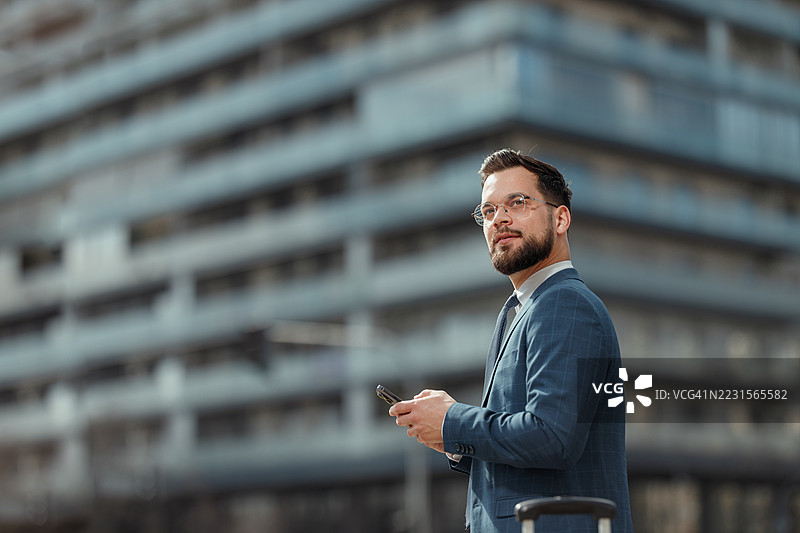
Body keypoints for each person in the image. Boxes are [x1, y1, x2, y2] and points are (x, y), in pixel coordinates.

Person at [389, 149, 634, 533]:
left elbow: (552, 437)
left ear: (560, 218)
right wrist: (451, 438)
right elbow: (533, 448)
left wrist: (454, 420)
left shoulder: (564, 304)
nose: (499, 218)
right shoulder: (519, 310)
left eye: (517, 203)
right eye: (487, 211)